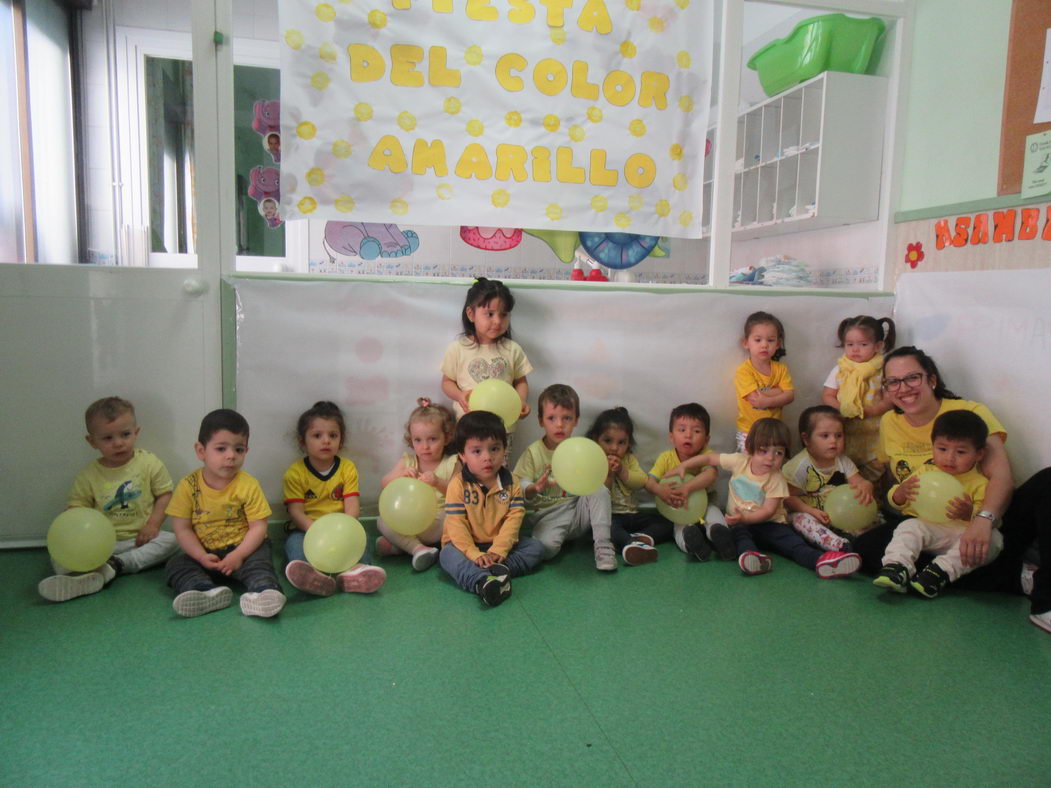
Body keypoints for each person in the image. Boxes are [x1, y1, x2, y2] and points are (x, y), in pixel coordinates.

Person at [853, 346, 1012, 573]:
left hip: (973, 519)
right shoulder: (889, 421)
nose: (904, 388)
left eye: (913, 378)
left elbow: (1002, 477)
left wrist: (983, 520)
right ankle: (945, 574)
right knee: (865, 549)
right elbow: (889, 475)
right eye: (893, 382)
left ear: (932, 380)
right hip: (923, 523)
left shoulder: (969, 413)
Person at [668, 418, 860, 579]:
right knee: (740, 537)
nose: (770, 458)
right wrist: (684, 466)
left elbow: (768, 511)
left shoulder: (776, 478)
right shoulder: (739, 461)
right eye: (763, 451)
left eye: (778, 453)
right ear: (750, 448)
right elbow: (710, 459)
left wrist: (744, 518)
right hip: (741, 524)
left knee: (793, 544)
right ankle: (754, 559)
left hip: (771, 524)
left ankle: (822, 561)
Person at [38, 396, 179, 602]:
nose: (119, 443)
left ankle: (115, 566)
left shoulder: (149, 463)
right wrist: (77, 542)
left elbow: (165, 494)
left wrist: (153, 524)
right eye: (108, 438)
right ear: (92, 441)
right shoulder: (89, 474)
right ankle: (78, 575)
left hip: (139, 539)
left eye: (125, 434)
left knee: (173, 541)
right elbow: (76, 508)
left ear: (136, 433)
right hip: (102, 543)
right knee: (57, 557)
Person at [164, 409, 285, 618]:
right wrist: (201, 556)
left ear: (246, 451)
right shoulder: (187, 486)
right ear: (201, 451)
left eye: (239, 449)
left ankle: (264, 593)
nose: (231, 456)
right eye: (221, 449)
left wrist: (238, 555)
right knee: (176, 564)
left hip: (245, 550)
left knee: (259, 565)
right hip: (205, 553)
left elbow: (259, 527)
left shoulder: (248, 485)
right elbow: (182, 529)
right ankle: (203, 591)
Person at [874, 410, 996, 598]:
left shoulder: (980, 482)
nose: (949, 458)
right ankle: (896, 567)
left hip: (962, 535)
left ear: (979, 454)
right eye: (942, 449)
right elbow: (900, 503)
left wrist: (969, 513)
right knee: (909, 526)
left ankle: (937, 574)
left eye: (961, 452)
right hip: (932, 529)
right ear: (932, 447)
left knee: (995, 541)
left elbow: (989, 520)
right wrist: (900, 493)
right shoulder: (926, 471)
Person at [439, 411, 544, 607]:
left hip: (497, 547)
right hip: (465, 547)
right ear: (462, 455)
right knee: (446, 555)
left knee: (536, 548)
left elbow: (514, 520)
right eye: (477, 451)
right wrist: (474, 554)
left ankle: (497, 569)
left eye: (494, 449)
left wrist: (499, 550)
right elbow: (456, 526)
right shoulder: (458, 484)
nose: (487, 457)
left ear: (504, 449)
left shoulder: (511, 482)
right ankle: (482, 582)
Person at [281, 401, 386, 596]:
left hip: (340, 529)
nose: (326, 441)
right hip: (307, 530)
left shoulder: (347, 468)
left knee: (364, 539)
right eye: (317, 436)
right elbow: (296, 512)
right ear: (303, 442)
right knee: (293, 543)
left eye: (333, 435)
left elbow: (352, 507)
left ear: (341, 440)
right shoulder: (295, 473)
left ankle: (356, 573)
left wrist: (343, 531)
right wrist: (317, 531)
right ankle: (314, 577)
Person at [513, 383, 616, 571]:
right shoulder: (534, 452)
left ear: (576, 420)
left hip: (577, 510)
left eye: (567, 418)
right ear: (541, 420)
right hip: (548, 516)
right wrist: (533, 488)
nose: (559, 425)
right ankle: (550, 540)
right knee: (546, 551)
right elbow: (518, 482)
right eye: (551, 418)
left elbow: (595, 485)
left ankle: (603, 544)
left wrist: (603, 470)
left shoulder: (581, 449)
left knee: (598, 489)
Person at [440, 278, 531, 439]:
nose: (497, 321)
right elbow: (447, 382)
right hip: (468, 426)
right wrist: (459, 395)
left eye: (503, 314)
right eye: (489, 314)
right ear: (471, 314)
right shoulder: (458, 348)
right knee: (468, 464)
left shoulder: (512, 349)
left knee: (499, 464)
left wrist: (520, 401)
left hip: (503, 428)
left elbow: (521, 381)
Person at [642, 403, 734, 562]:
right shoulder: (666, 458)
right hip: (678, 508)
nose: (688, 435)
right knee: (681, 528)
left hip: (706, 503)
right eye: (682, 430)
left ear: (706, 439)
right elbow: (649, 482)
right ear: (671, 437)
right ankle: (692, 544)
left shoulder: (707, 454)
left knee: (715, 517)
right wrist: (660, 490)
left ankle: (721, 539)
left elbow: (711, 474)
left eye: (696, 431)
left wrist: (687, 488)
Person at [376, 397, 459, 571]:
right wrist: (401, 475)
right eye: (418, 440)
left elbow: (460, 492)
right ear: (411, 440)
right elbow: (384, 483)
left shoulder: (452, 462)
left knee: (451, 519)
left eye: (433, 439)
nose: (425, 446)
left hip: (437, 521)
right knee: (382, 521)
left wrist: (437, 482)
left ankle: (401, 546)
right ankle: (418, 549)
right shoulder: (408, 461)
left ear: (447, 437)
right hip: (408, 518)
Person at [783, 406, 875, 552]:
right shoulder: (799, 466)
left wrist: (867, 485)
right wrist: (811, 511)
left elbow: (859, 482)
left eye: (838, 436)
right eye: (825, 436)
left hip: (837, 514)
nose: (833, 441)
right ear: (806, 439)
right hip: (809, 512)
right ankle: (839, 546)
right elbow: (787, 497)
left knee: (872, 520)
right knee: (800, 520)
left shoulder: (842, 461)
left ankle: (857, 539)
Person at [820, 315, 896, 481]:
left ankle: (874, 502)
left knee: (875, 472)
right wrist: (843, 409)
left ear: (878, 346)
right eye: (850, 344)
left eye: (863, 344)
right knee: (845, 472)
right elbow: (827, 395)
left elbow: (890, 399)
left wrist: (873, 410)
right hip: (845, 431)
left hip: (874, 433)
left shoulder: (882, 370)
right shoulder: (841, 369)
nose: (855, 349)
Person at [586, 406, 659, 566]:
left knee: (665, 522)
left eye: (621, 442)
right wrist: (609, 474)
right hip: (612, 518)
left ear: (629, 443)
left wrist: (622, 471)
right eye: (608, 441)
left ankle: (641, 538)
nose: (614, 448)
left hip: (633, 515)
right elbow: (599, 494)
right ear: (595, 439)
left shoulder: (629, 459)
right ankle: (629, 544)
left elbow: (641, 481)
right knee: (609, 530)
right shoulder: (593, 461)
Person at [733, 311, 795, 452]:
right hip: (749, 430)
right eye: (758, 340)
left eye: (770, 340)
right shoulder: (744, 371)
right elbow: (755, 399)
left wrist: (767, 401)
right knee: (749, 466)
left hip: (775, 430)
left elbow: (790, 396)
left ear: (778, 344)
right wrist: (780, 392)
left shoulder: (781, 369)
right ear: (746, 343)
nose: (764, 345)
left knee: (772, 464)